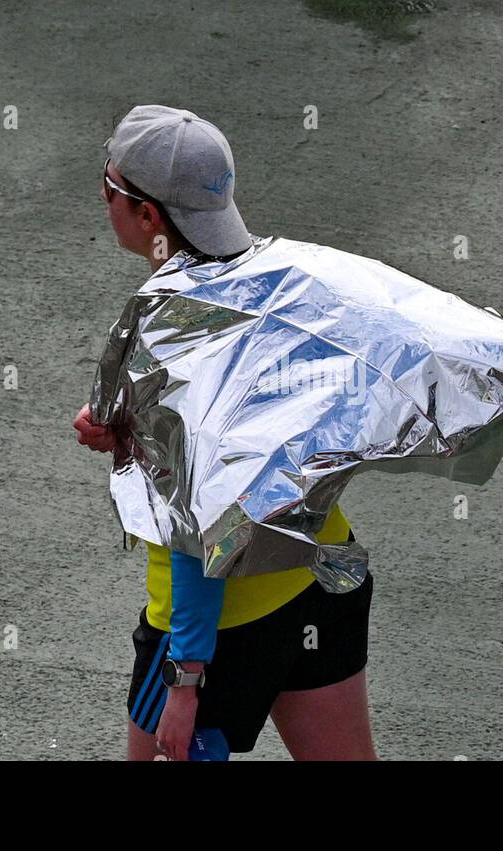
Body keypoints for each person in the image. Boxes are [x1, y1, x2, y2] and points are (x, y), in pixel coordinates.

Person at [74, 105, 378, 761]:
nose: (103, 201)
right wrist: (136, 426)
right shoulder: (276, 279)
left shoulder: (170, 331)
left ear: (148, 215)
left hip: (221, 624)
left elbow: (198, 525)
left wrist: (185, 678)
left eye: (108, 187)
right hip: (321, 574)